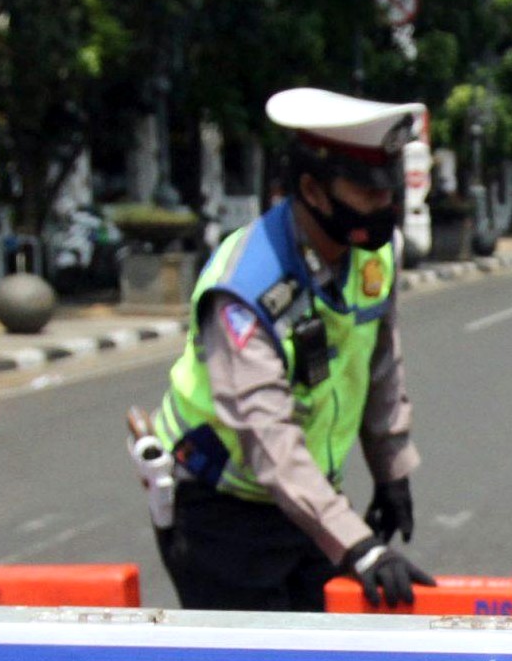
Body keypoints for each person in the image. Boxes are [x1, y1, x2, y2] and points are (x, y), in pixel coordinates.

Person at [144, 87, 434, 612]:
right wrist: (359, 547)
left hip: (308, 497)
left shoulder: (372, 254)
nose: (384, 206)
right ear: (313, 190)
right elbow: (267, 437)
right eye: (367, 193)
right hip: (222, 508)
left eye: (388, 190)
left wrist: (392, 473)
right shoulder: (246, 288)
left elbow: (381, 368)